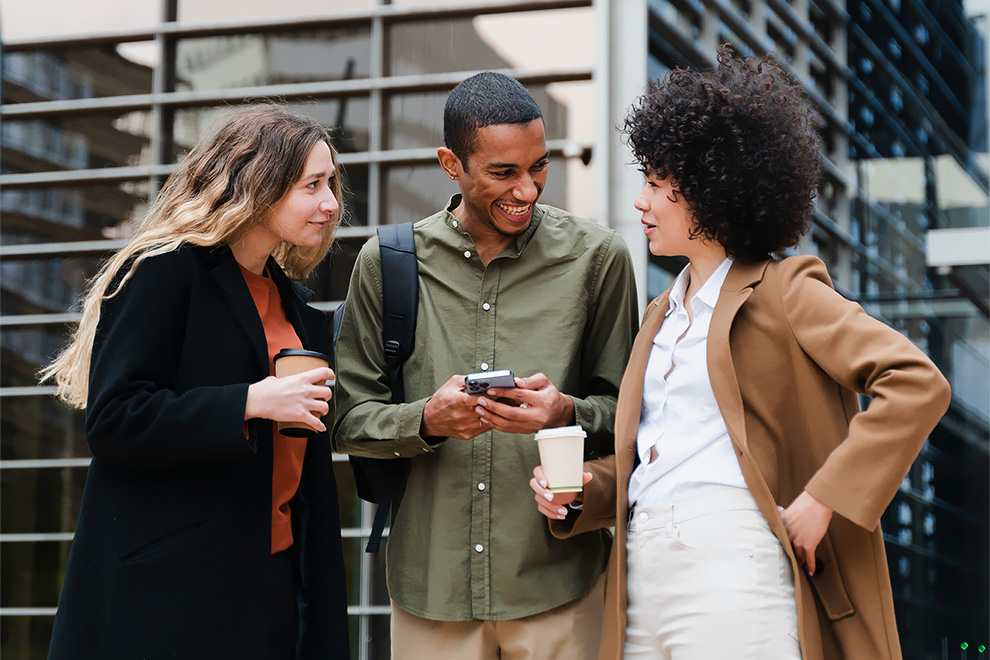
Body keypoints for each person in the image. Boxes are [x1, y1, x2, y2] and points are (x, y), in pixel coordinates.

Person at [530, 47, 951, 660]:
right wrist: (579, 493)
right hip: (639, 576)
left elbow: (916, 382)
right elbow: (654, 462)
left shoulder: (786, 292)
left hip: (733, 568)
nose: (641, 203)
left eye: (656, 185)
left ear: (706, 190)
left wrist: (823, 498)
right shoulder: (660, 316)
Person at [333, 71, 639, 660]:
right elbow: (349, 421)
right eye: (504, 172)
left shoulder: (598, 259)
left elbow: (629, 415)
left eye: (539, 167)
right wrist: (428, 420)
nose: (527, 190)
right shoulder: (388, 263)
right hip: (432, 588)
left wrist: (563, 412)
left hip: (559, 582)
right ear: (451, 163)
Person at [41, 105, 350, 660]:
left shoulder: (300, 311)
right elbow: (114, 421)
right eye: (313, 185)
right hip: (172, 597)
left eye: (330, 183)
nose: (330, 202)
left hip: (275, 588)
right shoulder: (164, 272)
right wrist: (251, 402)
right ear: (260, 184)